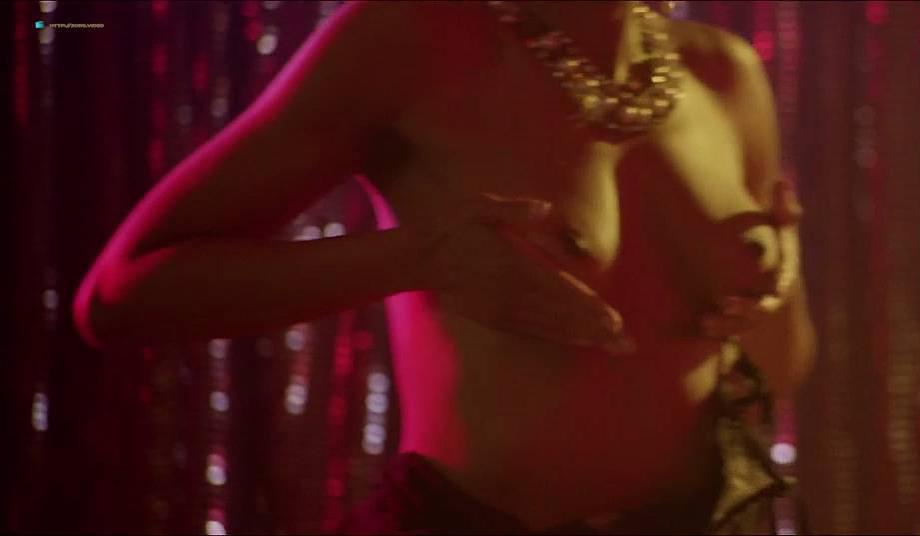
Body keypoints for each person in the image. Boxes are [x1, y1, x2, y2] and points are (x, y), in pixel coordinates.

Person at [73, 1, 816, 533]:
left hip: (704, 518)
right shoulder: (411, 36)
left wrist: (771, 287)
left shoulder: (723, 71)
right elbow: (120, 294)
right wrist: (420, 257)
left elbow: (783, 365)